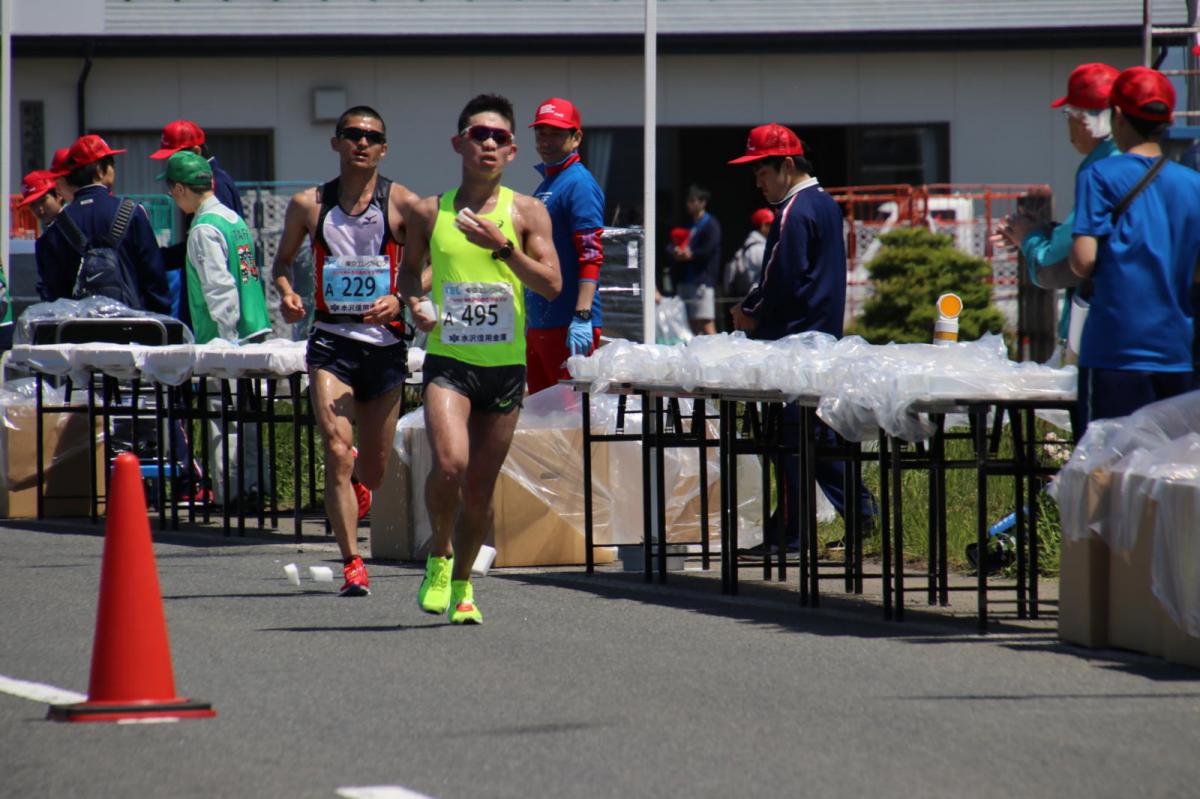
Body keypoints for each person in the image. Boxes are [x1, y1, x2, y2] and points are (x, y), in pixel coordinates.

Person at [399, 94, 561, 624]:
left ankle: (465, 583)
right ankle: (440, 560)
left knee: (479, 490)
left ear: (512, 150)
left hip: (505, 367)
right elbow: (408, 279)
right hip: (449, 359)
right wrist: (418, 306)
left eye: (498, 137)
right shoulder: (429, 211)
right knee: (449, 467)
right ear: (458, 143)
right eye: (478, 135)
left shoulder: (527, 211)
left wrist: (503, 248)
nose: (487, 144)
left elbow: (554, 284)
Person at [272, 106, 419, 597]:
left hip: (386, 345)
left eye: (372, 136)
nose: (362, 142)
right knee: (336, 450)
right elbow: (283, 262)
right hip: (332, 341)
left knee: (373, 470)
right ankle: (353, 561)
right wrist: (288, 294)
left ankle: (359, 483)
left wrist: (400, 298)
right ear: (335, 143)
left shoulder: (401, 203)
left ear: (384, 148)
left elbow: (430, 265)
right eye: (352, 134)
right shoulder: (309, 205)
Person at [728, 123, 877, 553]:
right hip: (822, 339)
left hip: (792, 347)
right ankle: (862, 514)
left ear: (787, 165)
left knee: (787, 442)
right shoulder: (827, 205)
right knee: (822, 439)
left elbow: (782, 278)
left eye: (762, 171)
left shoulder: (793, 211)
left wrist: (748, 313)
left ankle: (794, 531)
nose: (757, 181)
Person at [1069, 66, 1200, 431]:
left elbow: (1084, 260)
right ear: (1168, 120)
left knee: (1103, 468)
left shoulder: (1098, 176)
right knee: (1166, 469)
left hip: (1114, 349)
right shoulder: (1193, 184)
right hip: (1177, 353)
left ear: (1119, 116)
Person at [162, 151, 272, 507]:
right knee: (251, 418)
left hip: (225, 339)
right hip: (255, 330)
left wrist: (224, 342)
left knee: (223, 423)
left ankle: (232, 495)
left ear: (180, 189)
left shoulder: (204, 228)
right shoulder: (233, 219)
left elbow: (218, 289)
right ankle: (257, 487)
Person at [994, 63, 1120, 357]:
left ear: (1082, 120)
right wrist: (1045, 231)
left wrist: (1029, 238)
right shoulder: (1163, 168)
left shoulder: (1100, 170)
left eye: (1068, 115)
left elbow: (1054, 266)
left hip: (1100, 334)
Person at [35, 134, 170, 313]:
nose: (114, 169)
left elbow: (52, 293)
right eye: (111, 163)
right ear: (99, 169)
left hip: (76, 332)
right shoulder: (131, 213)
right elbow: (154, 276)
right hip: (132, 327)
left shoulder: (56, 228)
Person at [525, 97, 605, 393]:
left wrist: (582, 314)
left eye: (556, 133)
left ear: (576, 138)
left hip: (569, 326)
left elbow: (591, 252)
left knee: (570, 424)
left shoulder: (579, 183)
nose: (546, 141)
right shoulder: (548, 183)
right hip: (542, 324)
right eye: (541, 133)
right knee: (543, 424)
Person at [150, 120, 246, 325]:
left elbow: (215, 260)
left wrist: (156, 258)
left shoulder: (213, 188)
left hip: (213, 314)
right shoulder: (216, 182)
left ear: (196, 150)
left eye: (176, 156)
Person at [667, 185, 721, 335]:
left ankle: (716, 352)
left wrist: (692, 255)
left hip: (702, 281)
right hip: (686, 280)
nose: (689, 204)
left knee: (706, 321)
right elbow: (672, 243)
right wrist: (676, 251)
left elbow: (710, 248)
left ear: (703, 202)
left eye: (693, 200)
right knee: (691, 323)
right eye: (688, 200)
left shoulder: (711, 224)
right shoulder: (688, 224)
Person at [723, 207, 773, 299]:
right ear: (763, 226)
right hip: (756, 296)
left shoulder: (750, 245)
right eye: (770, 224)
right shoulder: (758, 248)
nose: (773, 227)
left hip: (751, 296)